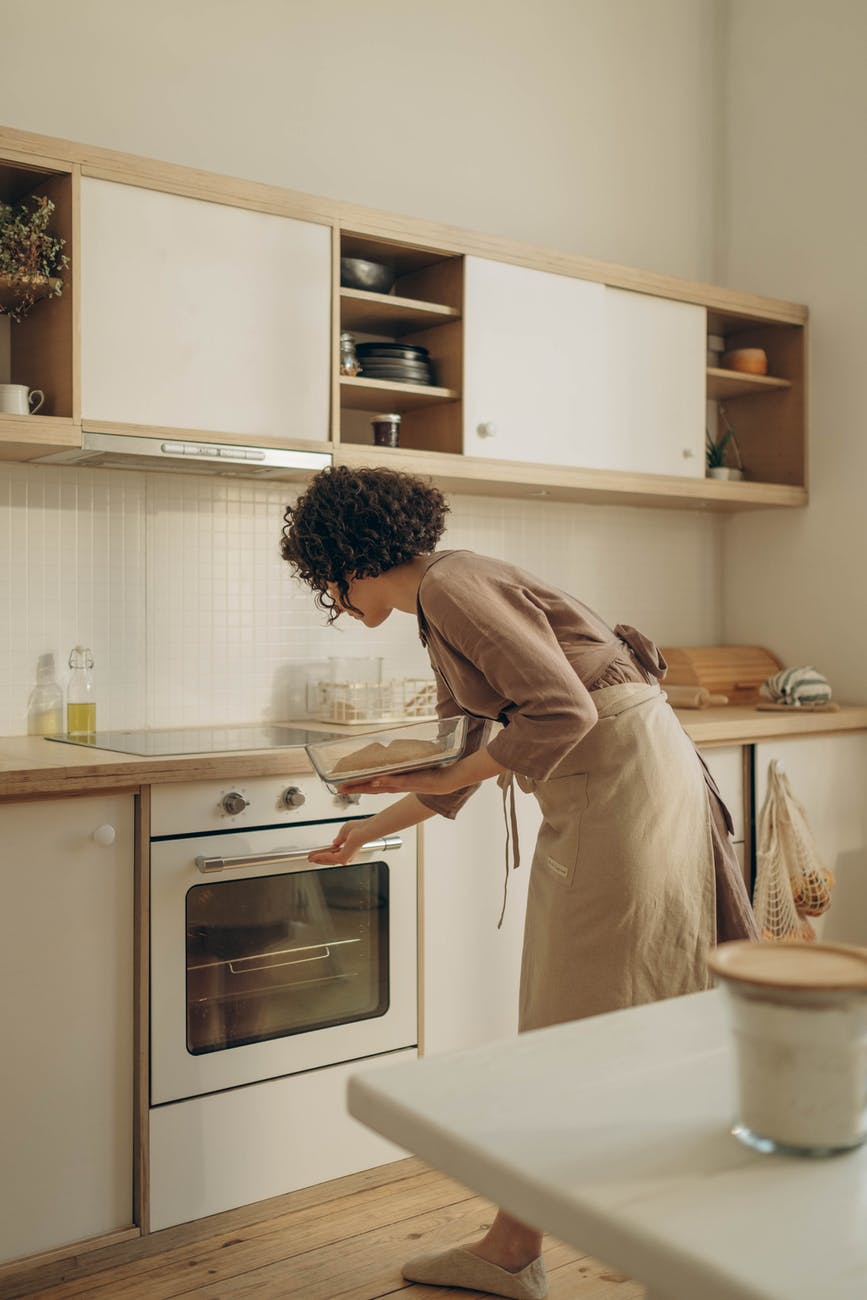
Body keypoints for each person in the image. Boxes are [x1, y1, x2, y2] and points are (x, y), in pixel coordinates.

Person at [281, 465, 758, 1300]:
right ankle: (524, 1243)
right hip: (615, 788)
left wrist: (447, 767)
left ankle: (578, 1242)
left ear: (344, 556)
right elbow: (462, 765)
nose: (331, 598)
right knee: (591, 1014)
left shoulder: (455, 589)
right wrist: (365, 830)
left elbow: (560, 713)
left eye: (325, 583)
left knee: (578, 1023)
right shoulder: (444, 602)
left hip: (618, 793)